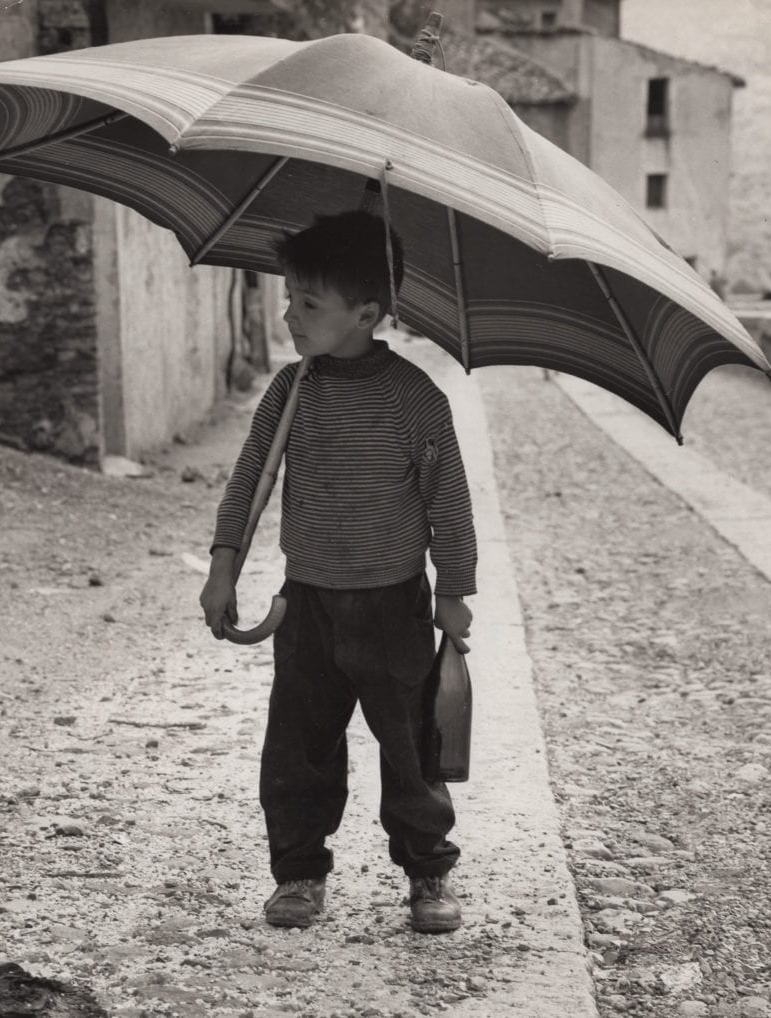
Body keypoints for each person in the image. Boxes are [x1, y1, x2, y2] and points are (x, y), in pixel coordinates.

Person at [199, 210, 477, 934]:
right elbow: (249, 480)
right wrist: (223, 566)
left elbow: (450, 501)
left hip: (393, 608)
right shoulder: (292, 389)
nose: (289, 314)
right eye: (289, 297)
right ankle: (297, 873)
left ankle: (426, 872)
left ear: (368, 313)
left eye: (308, 303)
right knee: (297, 747)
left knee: (412, 750)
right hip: (308, 607)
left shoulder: (416, 399)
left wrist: (453, 591)